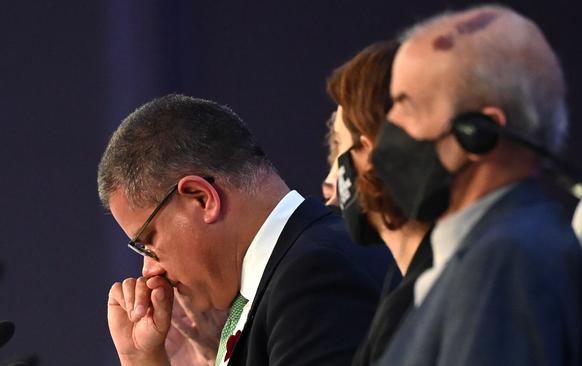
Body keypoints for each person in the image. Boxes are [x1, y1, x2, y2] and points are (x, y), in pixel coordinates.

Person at [97, 94, 396, 366]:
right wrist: (143, 360)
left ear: (202, 199)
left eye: (148, 241)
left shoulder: (314, 277)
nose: (149, 271)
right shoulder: (287, 275)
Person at [372, 5, 582, 365]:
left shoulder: (507, 262)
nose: (388, 127)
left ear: (478, 135)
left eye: (405, 104)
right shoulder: (481, 250)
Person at [324, 40, 433, 365]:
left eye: (339, 147)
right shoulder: (400, 287)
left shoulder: (440, 287)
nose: (330, 180)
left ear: (370, 154)